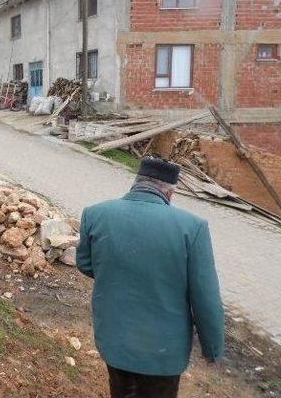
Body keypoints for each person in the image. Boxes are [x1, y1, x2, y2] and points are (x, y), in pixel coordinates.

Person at [76, 157, 224, 398]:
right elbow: (205, 299)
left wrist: (117, 275)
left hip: (115, 341)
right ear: (170, 192)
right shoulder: (192, 227)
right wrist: (213, 349)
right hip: (163, 352)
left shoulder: (95, 214)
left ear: (136, 182)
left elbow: (85, 264)